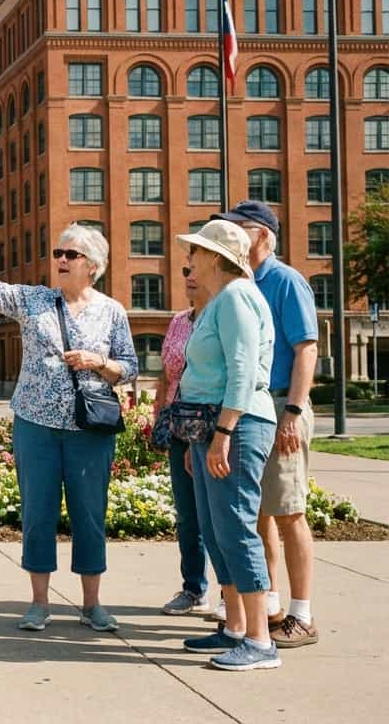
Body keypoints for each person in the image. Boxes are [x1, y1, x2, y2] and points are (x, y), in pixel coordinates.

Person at [0, 224, 138, 634]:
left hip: (89, 429)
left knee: (90, 515)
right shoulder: (35, 300)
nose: (60, 261)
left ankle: (92, 604)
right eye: (58, 253)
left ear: (92, 265)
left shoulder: (111, 311)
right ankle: (39, 603)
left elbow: (129, 365)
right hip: (35, 425)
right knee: (38, 514)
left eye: (70, 255)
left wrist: (98, 362)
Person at [212, 200, 319, 647]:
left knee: (289, 511)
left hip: (280, 408)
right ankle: (270, 607)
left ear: (260, 235)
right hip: (253, 409)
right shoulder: (241, 283)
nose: (227, 237)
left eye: (235, 229)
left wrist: (292, 411)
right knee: (258, 515)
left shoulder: (286, 280)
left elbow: (306, 348)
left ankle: (302, 614)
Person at [174, 220, 280, 672]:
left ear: (216, 258)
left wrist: (223, 435)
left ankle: (260, 642)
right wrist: (200, 440)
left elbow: (242, 371)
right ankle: (234, 627)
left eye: (196, 252)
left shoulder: (236, 297)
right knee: (217, 530)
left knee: (236, 527)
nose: (190, 260)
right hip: (212, 426)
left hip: (235, 424)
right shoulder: (221, 301)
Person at [153, 264, 211, 617]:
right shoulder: (178, 320)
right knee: (187, 515)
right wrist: (160, 409)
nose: (189, 274)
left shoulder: (221, 317)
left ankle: (233, 595)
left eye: (196, 268)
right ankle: (194, 588)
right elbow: (166, 370)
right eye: (186, 268)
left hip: (211, 425)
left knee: (218, 516)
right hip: (178, 425)